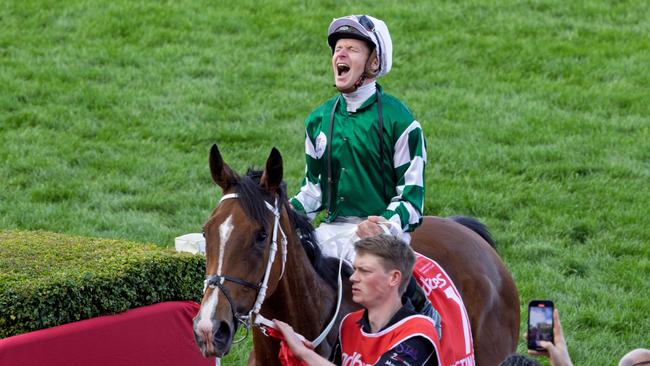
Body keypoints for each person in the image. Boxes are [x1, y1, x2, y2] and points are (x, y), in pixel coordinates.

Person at [290, 14, 427, 264]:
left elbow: (411, 200)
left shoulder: (402, 122)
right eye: (338, 49)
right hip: (329, 233)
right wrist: (276, 214)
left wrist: (383, 226)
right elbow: (313, 192)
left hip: (383, 238)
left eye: (352, 49)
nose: (340, 54)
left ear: (374, 62)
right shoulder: (317, 120)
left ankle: (417, 304)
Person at [274, 235, 440, 365]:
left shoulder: (418, 332)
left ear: (394, 278)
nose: (353, 277)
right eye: (354, 269)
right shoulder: (349, 324)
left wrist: (304, 353)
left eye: (365, 271)